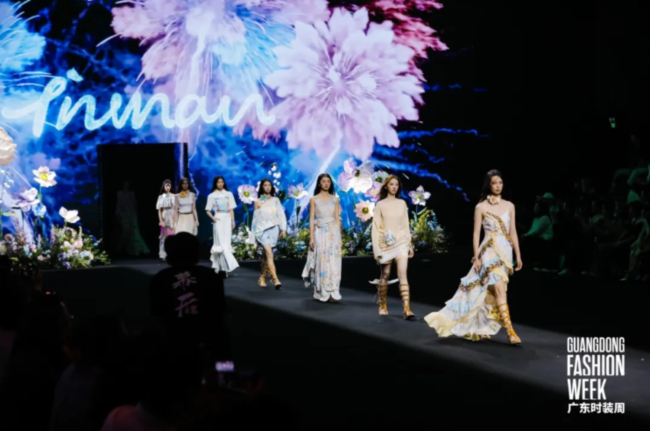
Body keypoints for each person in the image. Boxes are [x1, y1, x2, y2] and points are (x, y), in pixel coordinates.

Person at [424, 170, 523, 344]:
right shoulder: (481, 207)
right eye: (494, 183)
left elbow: (512, 231)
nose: (498, 186)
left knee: (490, 291)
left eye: (500, 182)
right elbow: (476, 233)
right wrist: (476, 257)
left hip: (506, 253)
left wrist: (518, 255)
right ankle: (510, 331)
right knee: (499, 288)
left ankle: (482, 326)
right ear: (489, 185)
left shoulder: (509, 206)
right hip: (488, 252)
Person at [148, 233, 231, 365]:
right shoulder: (210, 276)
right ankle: (224, 373)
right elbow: (220, 312)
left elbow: (156, 315)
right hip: (209, 341)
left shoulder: (160, 279)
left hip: (173, 345)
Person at [371, 175, 416, 320]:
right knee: (385, 274)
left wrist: (409, 244)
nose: (394, 187)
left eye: (396, 184)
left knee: (403, 274)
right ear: (386, 186)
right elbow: (375, 228)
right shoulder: (380, 205)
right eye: (391, 184)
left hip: (401, 242)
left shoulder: (402, 203)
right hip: (385, 244)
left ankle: (406, 309)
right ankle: (382, 304)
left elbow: (405, 225)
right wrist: (377, 250)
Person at [302, 173, 342, 302]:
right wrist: (311, 238)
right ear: (319, 183)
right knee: (322, 261)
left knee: (333, 262)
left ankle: (333, 292)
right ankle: (322, 292)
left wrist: (339, 238)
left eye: (328, 181)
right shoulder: (314, 199)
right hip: (319, 232)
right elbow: (311, 219)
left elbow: (337, 219)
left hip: (332, 233)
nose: (326, 184)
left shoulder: (335, 199)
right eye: (324, 181)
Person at [250, 179, 287, 289]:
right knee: (270, 254)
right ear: (261, 187)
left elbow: (281, 215)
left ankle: (262, 277)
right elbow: (255, 220)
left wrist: (283, 229)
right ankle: (275, 279)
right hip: (262, 230)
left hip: (274, 229)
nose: (267, 187)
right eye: (265, 185)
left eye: (269, 185)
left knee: (267, 255)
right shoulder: (258, 201)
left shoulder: (275, 200)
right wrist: (253, 237)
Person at [205, 176, 239, 276]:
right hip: (218, 218)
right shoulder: (212, 195)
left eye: (222, 182)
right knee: (220, 244)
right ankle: (222, 267)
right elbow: (207, 210)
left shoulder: (229, 194)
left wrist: (233, 221)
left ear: (224, 183)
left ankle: (225, 269)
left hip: (227, 219)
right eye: (218, 182)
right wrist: (213, 218)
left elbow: (231, 209)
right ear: (215, 183)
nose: (220, 184)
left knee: (226, 243)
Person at [115, 180, 150, 256]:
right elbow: (119, 204)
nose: (126, 185)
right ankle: (122, 250)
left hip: (130, 214)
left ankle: (134, 250)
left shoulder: (131, 193)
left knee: (133, 232)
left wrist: (134, 215)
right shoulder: (120, 193)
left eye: (127, 184)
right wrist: (118, 214)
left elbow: (134, 204)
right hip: (123, 214)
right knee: (124, 232)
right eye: (125, 183)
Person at [156, 179, 176, 260]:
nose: (168, 187)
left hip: (172, 216)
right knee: (163, 237)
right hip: (164, 215)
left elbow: (175, 209)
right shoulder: (161, 197)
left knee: (172, 236)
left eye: (169, 185)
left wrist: (174, 220)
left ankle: (172, 253)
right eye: (166, 185)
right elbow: (159, 210)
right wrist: (161, 221)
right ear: (164, 186)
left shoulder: (174, 196)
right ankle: (163, 254)